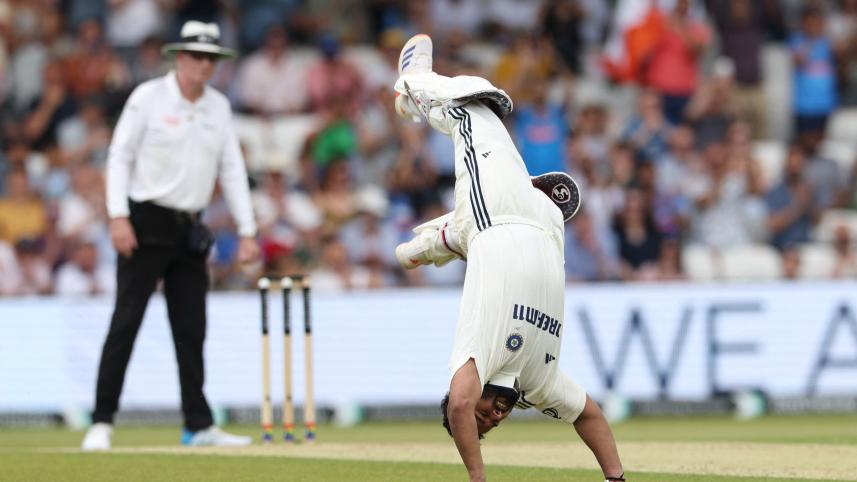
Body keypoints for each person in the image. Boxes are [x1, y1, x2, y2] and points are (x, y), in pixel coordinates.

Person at [392, 34, 625, 482]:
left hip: (495, 214)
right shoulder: (540, 383)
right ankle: (424, 246)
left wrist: (479, 479)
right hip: (548, 223)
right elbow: (589, 417)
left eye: (481, 418)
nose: (492, 418)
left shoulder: (477, 356)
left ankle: (411, 82)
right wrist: (615, 478)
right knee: (451, 231)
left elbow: (459, 403)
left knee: (475, 106)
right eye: (491, 426)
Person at [81, 21, 260, 451]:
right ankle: (102, 421)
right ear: (179, 58)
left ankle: (197, 425)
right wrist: (117, 217)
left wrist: (249, 230)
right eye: (196, 57)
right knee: (126, 321)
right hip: (145, 223)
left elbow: (232, 170)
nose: (204, 66)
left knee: (191, 327)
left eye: (211, 59)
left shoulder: (218, 106)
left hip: (190, 228)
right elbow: (119, 157)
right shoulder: (147, 97)